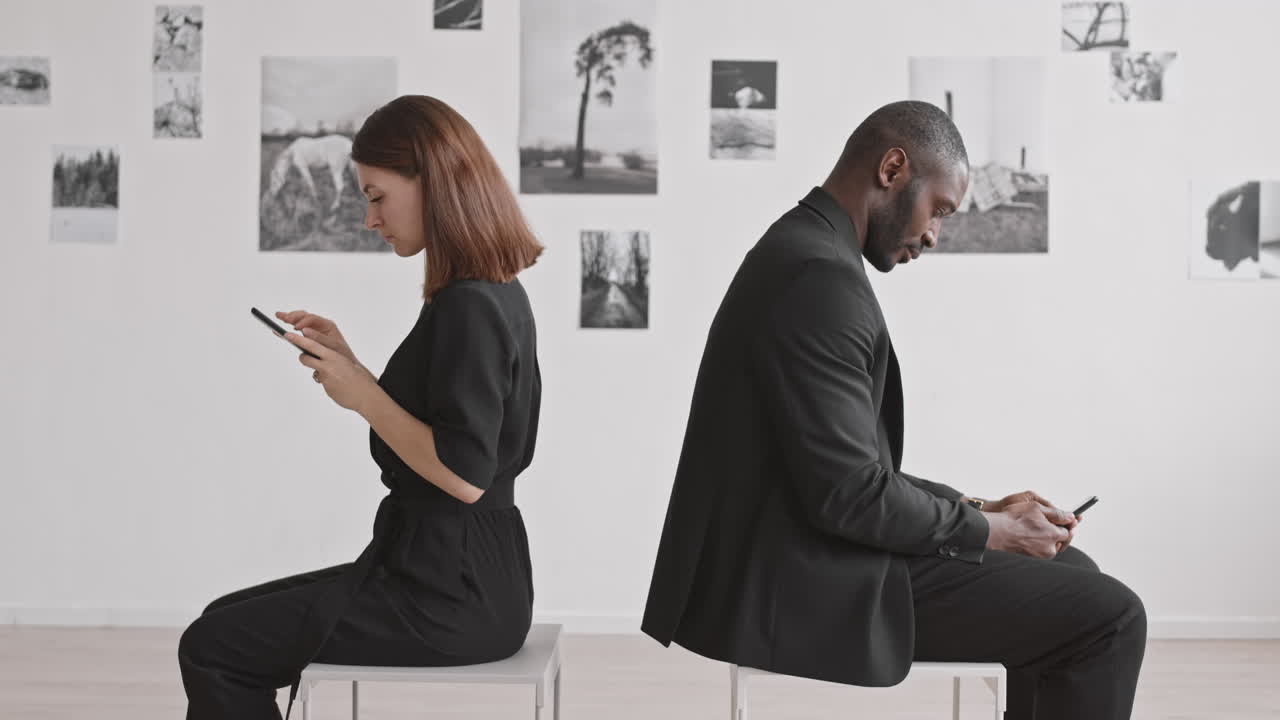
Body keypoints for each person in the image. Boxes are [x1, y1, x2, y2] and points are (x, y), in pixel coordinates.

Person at [641, 100, 1146, 720]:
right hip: (800, 577)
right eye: (938, 209)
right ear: (893, 168)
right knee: (1111, 616)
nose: (934, 234)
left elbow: (845, 470)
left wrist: (984, 508)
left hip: (804, 545)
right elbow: (850, 494)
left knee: (1074, 569)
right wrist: (991, 530)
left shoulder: (808, 251)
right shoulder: (817, 279)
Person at [179, 95, 545, 719]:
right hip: (462, 572)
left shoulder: (469, 305)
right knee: (220, 624)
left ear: (434, 181)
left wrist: (365, 397)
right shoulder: (486, 290)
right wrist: (353, 368)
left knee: (213, 646)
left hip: (449, 590)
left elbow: (463, 474)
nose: (370, 219)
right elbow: (449, 426)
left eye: (377, 196)